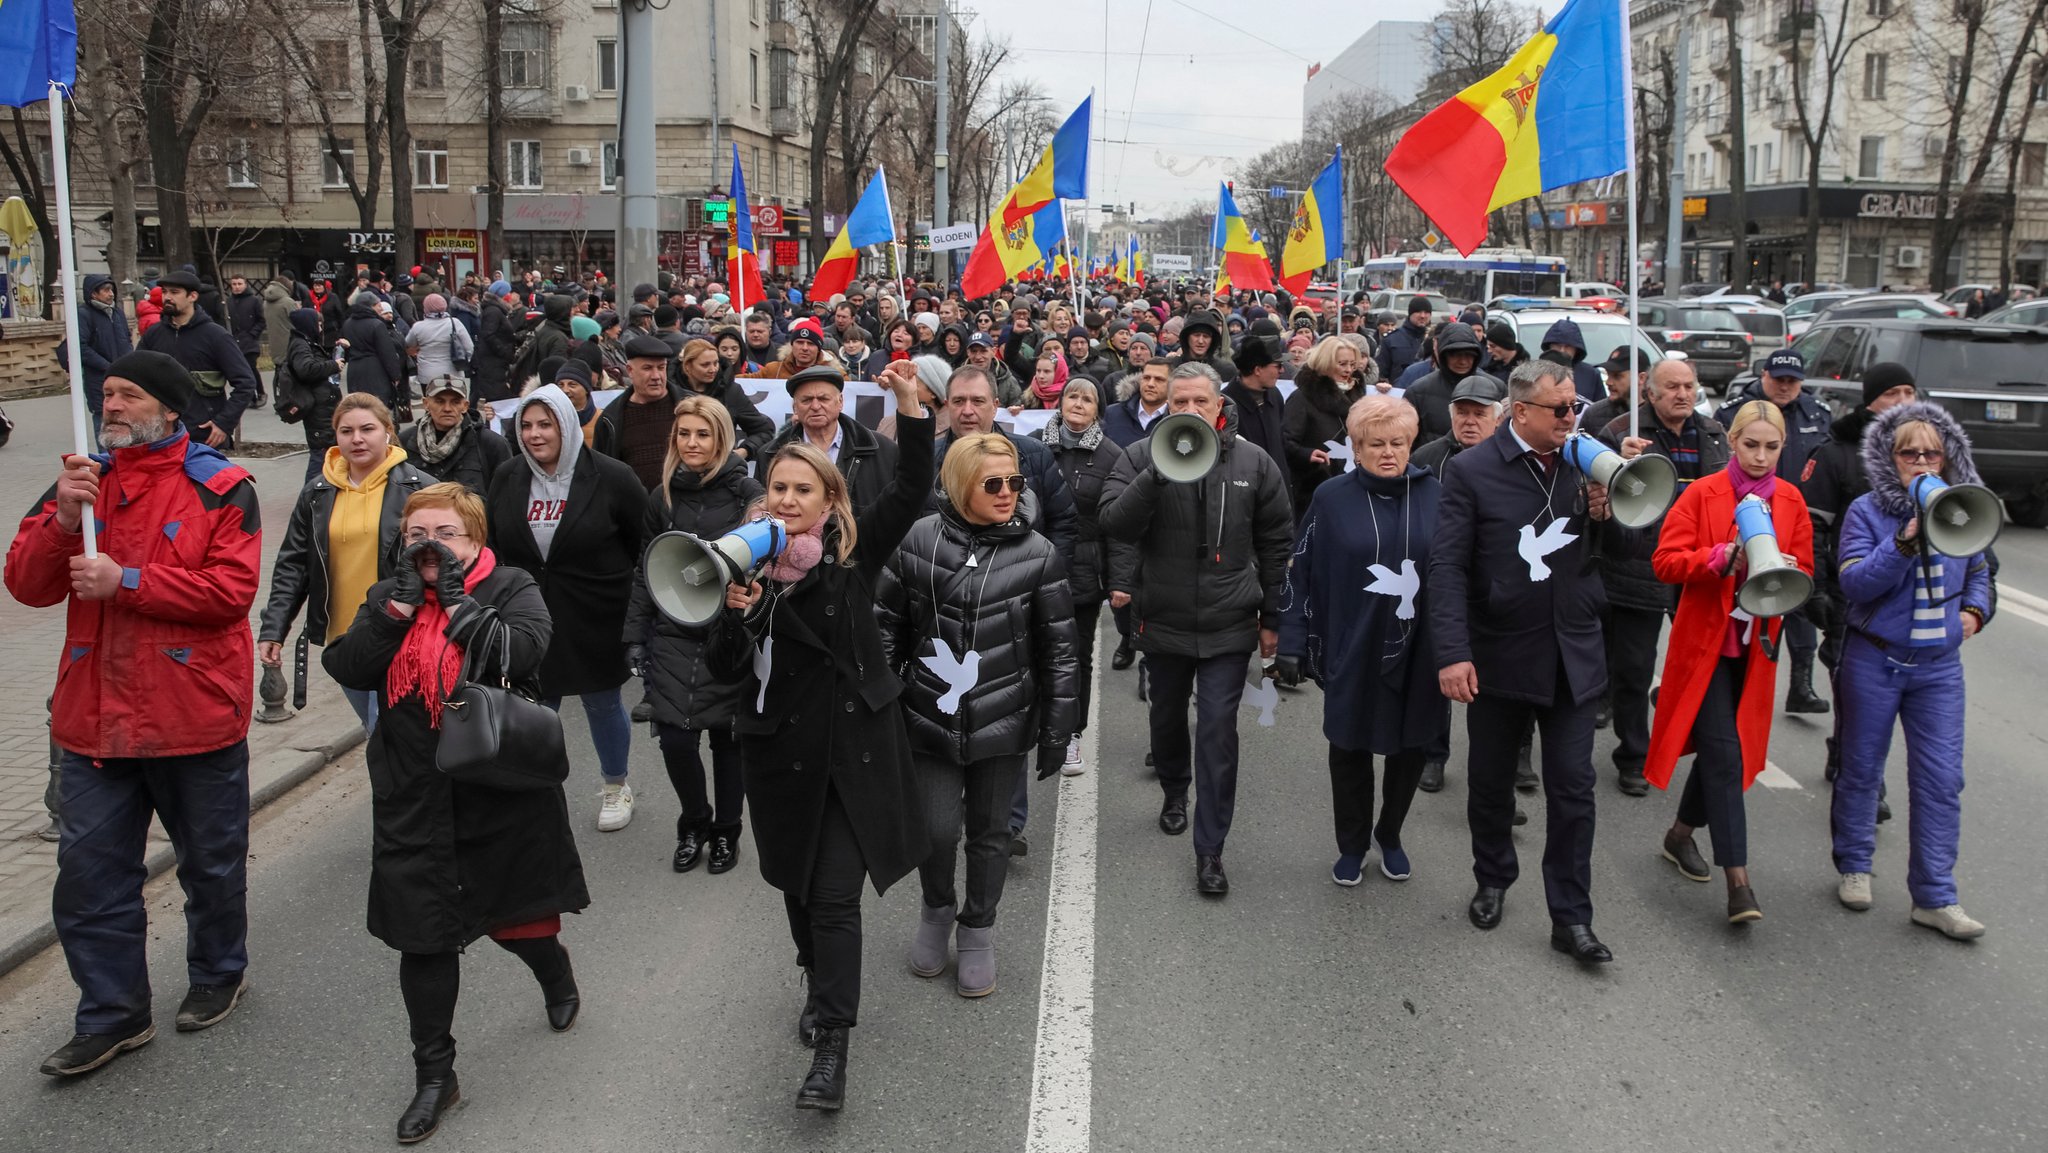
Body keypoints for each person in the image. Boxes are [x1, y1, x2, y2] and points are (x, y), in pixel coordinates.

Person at [7, 351, 261, 1077]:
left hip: (193, 715)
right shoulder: (81, 483)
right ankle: (113, 1013)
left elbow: (228, 593)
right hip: (93, 721)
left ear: (170, 408)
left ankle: (218, 970)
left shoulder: (221, 486)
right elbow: (26, 585)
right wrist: (60, 518)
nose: (110, 406)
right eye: (106, 394)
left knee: (210, 865)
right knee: (88, 876)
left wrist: (129, 581)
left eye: (127, 395)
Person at [321, 483, 589, 1143]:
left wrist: (461, 605)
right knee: (426, 935)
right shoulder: (391, 595)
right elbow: (349, 665)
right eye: (415, 534)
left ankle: (554, 970)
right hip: (413, 790)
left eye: (444, 532)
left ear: (473, 538)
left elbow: (526, 651)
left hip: (497, 786)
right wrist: (396, 611)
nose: (428, 545)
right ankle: (436, 1075)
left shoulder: (510, 583)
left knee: (514, 920)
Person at [703, 360, 933, 1110]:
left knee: (835, 896)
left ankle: (832, 1045)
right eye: (779, 489)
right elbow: (724, 670)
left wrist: (912, 411)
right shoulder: (741, 567)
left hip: (851, 753)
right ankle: (814, 967)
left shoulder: (851, 562)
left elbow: (908, 489)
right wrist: (737, 615)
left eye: (805, 489)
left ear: (830, 500)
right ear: (763, 498)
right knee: (795, 888)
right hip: (776, 757)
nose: (790, 500)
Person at [1430, 358, 1619, 965]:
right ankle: (1493, 876)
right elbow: (1448, 567)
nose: (1571, 419)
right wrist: (1454, 652)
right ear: (1519, 411)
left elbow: (1632, 549)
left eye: (1575, 408)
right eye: (1559, 410)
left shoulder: (1589, 462)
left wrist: (1611, 510)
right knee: (1490, 783)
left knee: (1574, 789)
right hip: (1499, 655)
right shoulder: (1470, 471)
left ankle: (1571, 916)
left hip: (1572, 654)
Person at [878, 431, 1077, 998]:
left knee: (990, 835)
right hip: (928, 716)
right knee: (937, 830)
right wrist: (891, 692)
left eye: (1015, 482)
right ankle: (936, 909)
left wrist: (1059, 728)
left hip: (1003, 719)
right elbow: (884, 622)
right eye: (994, 483)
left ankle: (978, 931)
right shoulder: (916, 540)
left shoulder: (1038, 553)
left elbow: (1060, 649)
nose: (1008, 492)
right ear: (962, 483)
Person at [1098, 363, 1294, 896]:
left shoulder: (1253, 463)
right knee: (1166, 719)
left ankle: (1211, 850)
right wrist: (1157, 473)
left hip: (1230, 623)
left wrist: (1273, 618)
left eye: (1198, 404)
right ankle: (1173, 789)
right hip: (1163, 619)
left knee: (1216, 732)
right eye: (1177, 404)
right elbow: (1114, 523)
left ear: (1218, 408)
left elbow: (1278, 541)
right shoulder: (1140, 456)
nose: (1188, 412)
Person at [1831, 402, 1996, 940]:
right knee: (1861, 768)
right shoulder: (1865, 512)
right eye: (1910, 453)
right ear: (1889, 458)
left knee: (1943, 779)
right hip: (1874, 659)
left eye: (1932, 453)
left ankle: (1935, 896)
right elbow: (1855, 585)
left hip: (1938, 669)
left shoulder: (1961, 506)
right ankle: (1855, 865)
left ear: (1947, 458)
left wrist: (1973, 612)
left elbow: (1979, 570)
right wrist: (1904, 540)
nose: (1922, 462)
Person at [1644, 401, 1813, 925]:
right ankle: (1738, 881)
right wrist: (1720, 558)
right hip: (1705, 648)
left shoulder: (1791, 499)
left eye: (1772, 448)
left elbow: (1806, 570)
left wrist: (1786, 567)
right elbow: (1665, 563)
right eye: (1750, 445)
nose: (1761, 457)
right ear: (1733, 442)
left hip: (1756, 648)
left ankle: (1679, 835)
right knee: (1724, 754)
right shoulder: (1702, 492)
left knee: (1728, 751)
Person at [1278, 394, 1446, 886]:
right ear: (1355, 446)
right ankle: (1351, 844)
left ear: (1412, 443)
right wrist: (1291, 639)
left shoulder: (1439, 496)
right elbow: (1300, 571)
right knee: (1349, 747)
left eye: (1398, 443)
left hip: (1421, 645)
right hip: (1351, 641)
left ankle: (1389, 833)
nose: (1388, 452)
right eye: (1375, 444)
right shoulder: (1331, 499)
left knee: (1412, 744)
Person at [488, 385, 649, 831]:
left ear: (567, 425)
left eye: (546, 424)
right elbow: (492, 546)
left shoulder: (612, 476)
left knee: (601, 703)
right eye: (526, 425)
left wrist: (640, 615)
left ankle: (616, 786)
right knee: (533, 707)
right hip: (527, 617)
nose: (535, 434)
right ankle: (530, 787)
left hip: (595, 614)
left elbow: (644, 545)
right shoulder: (507, 476)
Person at [625, 397, 762, 874]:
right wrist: (634, 635)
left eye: (702, 434)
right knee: (676, 740)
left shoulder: (749, 493)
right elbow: (646, 569)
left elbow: (761, 566)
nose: (692, 444)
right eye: (684, 434)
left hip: (728, 635)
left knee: (727, 740)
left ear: (722, 438)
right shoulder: (662, 496)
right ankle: (694, 821)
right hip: (673, 632)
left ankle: (727, 830)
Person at [261, 392, 433, 732]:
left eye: (367, 429)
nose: (356, 439)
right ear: (335, 436)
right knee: (378, 734)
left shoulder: (420, 489)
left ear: (388, 431)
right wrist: (274, 629)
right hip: (344, 641)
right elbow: (292, 565)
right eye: (346, 431)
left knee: (385, 735)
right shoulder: (318, 492)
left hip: (401, 637)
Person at [1599, 358, 1729, 797]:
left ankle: (1696, 744)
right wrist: (1617, 463)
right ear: (1649, 393)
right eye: (1671, 386)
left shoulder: (1714, 434)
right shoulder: (1622, 432)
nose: (1682, 394)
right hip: (1641, 567)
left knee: (1700, 666)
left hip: (1701, 567)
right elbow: (1599, 503)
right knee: (1634, 670)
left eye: (1689, 385)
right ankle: (1633, 755)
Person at [1804, 362, 1918, 798]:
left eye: (1910, 391)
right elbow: (1813, 527)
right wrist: (1815, 587)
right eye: (1893, 393)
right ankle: (1865, 777)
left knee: (1889, 696)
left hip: (1907, 599)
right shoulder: (1837, 453)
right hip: (1849, 592)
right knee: (1856, 692)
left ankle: (1849, 755)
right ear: (1871, 400)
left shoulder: (1928, 452)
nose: (1903, 401)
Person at [1715, 348, 1833, 715]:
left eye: (1792, 382)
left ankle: (1801, 682)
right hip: (1741, 510)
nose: (1785, 387)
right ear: (1764, 376)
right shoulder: (1734, 412)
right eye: (1779, 379)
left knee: (1796, 600)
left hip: (1794, 512)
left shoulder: (1817, 413)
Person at [1037, 377, 1119, 773]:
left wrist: (1119, 579)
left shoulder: (1110, 455)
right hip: (1035, 564)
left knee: (1075, 657)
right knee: (1031, 649)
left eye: (1088, 399)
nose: (1079, 403)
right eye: (1073, 395)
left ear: (1097, 410)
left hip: (1084, 571)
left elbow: (1116, 524)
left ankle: (1071, 733)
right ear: (1061, 401)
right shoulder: (1035, 445)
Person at [138, 269, 260, 449]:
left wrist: (223, 423)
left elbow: (246, 382)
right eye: (164, 292)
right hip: (160, 435)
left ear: (193, 296)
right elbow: (136, 377)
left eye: (175, 292)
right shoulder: (153, 335)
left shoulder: (215, 335)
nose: (167, 297)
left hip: (203, 436)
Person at [767, 361, 905, 515]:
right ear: (795, 408)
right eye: (806, 400)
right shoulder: (770, 455)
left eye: (823, 399)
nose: (815, 406)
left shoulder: (883, 450)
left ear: (840, 402)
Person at [1280, 335, 1363, 513]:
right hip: (1313, 487)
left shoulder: (1357, 396)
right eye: (1342, 364)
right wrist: (1306, 454)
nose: (1349, 370)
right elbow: (1285, 441)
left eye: (1352, 364)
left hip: (1352, 484)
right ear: (1325, 363)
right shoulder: (1301, 398)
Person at [591, 334, 681, 489]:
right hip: (633, 510)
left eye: (661, 368)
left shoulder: (691, 407)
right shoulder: (610, 419)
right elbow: (600, 475)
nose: (656, 376)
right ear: (630, 370)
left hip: (685, 508)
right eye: (647, 368)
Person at [400, 375, 512, 495]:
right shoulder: (405, 442)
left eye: (455, 402)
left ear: (465, 406)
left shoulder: (490, 444)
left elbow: (505, 495)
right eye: (439, 401)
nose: (447, 408)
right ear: (426, 403)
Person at [674, 337, 776, 462]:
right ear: (687, 366)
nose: (713, 369)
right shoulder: (670, 392)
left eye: (716, 363)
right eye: (705, 365)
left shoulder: (731, 391)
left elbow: (763, 430)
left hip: (721, 471)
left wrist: (744, 451)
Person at [277, 308, 344, 482]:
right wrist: (333, 365)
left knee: (327, 452)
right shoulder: (300, 344)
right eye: (318, 324)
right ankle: (310, 499)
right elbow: (306, 369)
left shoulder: (306, 342)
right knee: (320, 454)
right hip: (318, 409)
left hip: (323, 406)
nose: (321, 329)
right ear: (309, 325)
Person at [72, 273, 133, 439]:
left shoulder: (117, 313)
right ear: (94, 293)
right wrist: (107, 366)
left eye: (111, 290)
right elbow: (80, 347)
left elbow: (126, 339)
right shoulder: (83, 314)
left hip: (124, 375)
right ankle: (106, 460)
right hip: (99, 378)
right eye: (106, 290)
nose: (111, 294)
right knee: (103, 419)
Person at [1403, 322, 1486, 443]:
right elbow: (1405, 439)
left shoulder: (1494, 388)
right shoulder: (1418, 392)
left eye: (1468, 355)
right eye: (1456, 355)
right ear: (1444, 355)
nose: (1462, 361)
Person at [1224, 332, 1289, 470]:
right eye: (1278, 365)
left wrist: (1305, 455)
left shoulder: (1275, 395)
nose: (1282, 370)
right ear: (1258, 370)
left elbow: (1282, 443)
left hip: (1277, 485)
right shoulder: (1225, 404)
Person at [341, 290, 408, 410]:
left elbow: (346, 350)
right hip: (375, 371)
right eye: (378, 305)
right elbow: (387, 352)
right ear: (370, 306)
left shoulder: (347, 324)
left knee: (359, 406)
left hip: (354, 370)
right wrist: (396, 375)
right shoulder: (377, 324)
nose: (381, 308)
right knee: (377, 407)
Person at [1581, 345, 1652, 436]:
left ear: (1641, 378)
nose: (1608, 382)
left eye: (1617, 376)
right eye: (1608, 375)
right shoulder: (1594, 414)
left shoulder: (1660, 413)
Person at [1102, 356, 1172, 448]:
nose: (1150, 384)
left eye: (1159, 379)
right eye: (1146, 378)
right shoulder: (1112, 414)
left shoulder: (1175, 419)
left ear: (1171, 384)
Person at [404, 293, 474, 385]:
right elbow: (469, 347)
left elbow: (408, 344)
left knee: (432, 399)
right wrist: (465, 362)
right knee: (455, 399)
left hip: (428, 375)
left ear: (425, 308)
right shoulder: (455, 323)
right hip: (454, 374)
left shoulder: (418, 327)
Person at [1537, 317, 1604, 404]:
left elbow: (1601, 409)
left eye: (1568, 346)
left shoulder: (1591, 374)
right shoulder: (1534, 372)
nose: (1562, 350)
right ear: (1549, 346)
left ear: (1576, 349)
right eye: (1557, 345)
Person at [225, 275, 266, 398]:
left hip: (249, 341)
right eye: (234, 284)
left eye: (239, 284)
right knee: (240, 371)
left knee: (251, 368)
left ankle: (260, 392)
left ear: (245, 284)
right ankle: (249, 395)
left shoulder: (254, 300)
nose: (236, 287)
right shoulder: (229, 301)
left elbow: (262, 321)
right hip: (234, 341)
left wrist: (253, 334)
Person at [1377, 296, 1432, 381]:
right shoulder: (1391, 340)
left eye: (1426, 312)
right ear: (1410, 313)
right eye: (1418, 312)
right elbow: (1381, 373)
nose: (1422, 316)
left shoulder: (1433, 340)